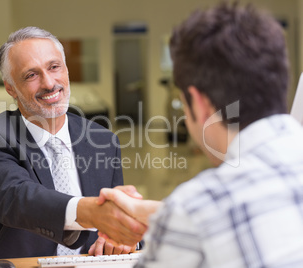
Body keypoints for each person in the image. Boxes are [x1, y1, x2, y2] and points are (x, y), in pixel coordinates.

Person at [97, 2, 303, 267]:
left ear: (199, 103)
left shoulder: (193, 210)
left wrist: (173, 219)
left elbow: (202, 215)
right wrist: (157, 213)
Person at [0, 26, 146, 259]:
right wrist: (91, 212)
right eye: (31, 75)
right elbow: (16, 198)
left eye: (54, 67)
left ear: (66, 70)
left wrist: (121, 238)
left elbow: (114, 227)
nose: (49, 83)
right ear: (11, 88)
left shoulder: (103, 140)